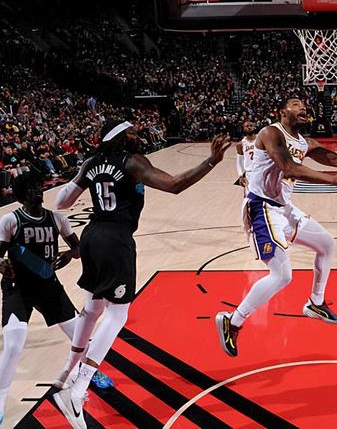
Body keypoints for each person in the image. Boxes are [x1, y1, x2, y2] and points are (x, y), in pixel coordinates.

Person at [51, 120, 231, 428]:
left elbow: (61, 202)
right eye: (131, 132)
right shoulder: (132, 161)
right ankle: (78, 388)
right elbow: (174, 184)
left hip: (91, 236)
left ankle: (68, 371)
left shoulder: (92, 162)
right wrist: (211, 161)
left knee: (92, 309)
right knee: (117, 314)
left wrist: (84, 177)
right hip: (115, 240)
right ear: (118, 138)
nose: (137, 134)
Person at [216, 98, 337, 357]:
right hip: (261, 207)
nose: (303, 107)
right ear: (282, 112)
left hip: (284, 209)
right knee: (281, 276)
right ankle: (233, 321)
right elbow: (288, 166)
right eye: (296, 104)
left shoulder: (305, 143)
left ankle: (315, 303)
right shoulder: (270, 133)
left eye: (304, 105)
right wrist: (333, 180)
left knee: (327, 245)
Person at [0, 174, 113, 429]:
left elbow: (77, 248)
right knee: (13, 345)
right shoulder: (11, 220)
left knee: (79, 336)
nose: (38, 190)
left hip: (47, 285)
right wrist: (1, 265)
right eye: (31, 188)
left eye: (38, 185)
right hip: (18, 289)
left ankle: (89, 371)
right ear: (21, 196)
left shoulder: (57, 219)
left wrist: (69, 255)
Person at [235, 120, 257, 192]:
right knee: (249, 196)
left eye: (251, 126)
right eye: (247, 126)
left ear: (254, 127)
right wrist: (241, 175)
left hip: (261, 171)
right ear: (243, 128)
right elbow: (239, 161)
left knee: (264, 197)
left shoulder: (261, 140)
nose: (249, 127)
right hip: (249, 173)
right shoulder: (240, 144)